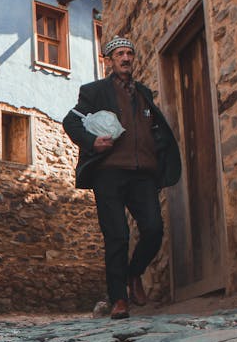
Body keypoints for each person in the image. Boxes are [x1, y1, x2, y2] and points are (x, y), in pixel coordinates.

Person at [63, 36, 181, 320]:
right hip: (109, 173)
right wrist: (92, 141)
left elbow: (155, 130)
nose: (126, 58)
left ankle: (133, 273)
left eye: (129, 53)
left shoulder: (143, 94)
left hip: (143, 174)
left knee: (153, 229)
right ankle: (118, 299)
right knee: (117, 236)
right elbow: (71, 121)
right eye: (120, 54)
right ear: (109, 60)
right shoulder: (95, 92)